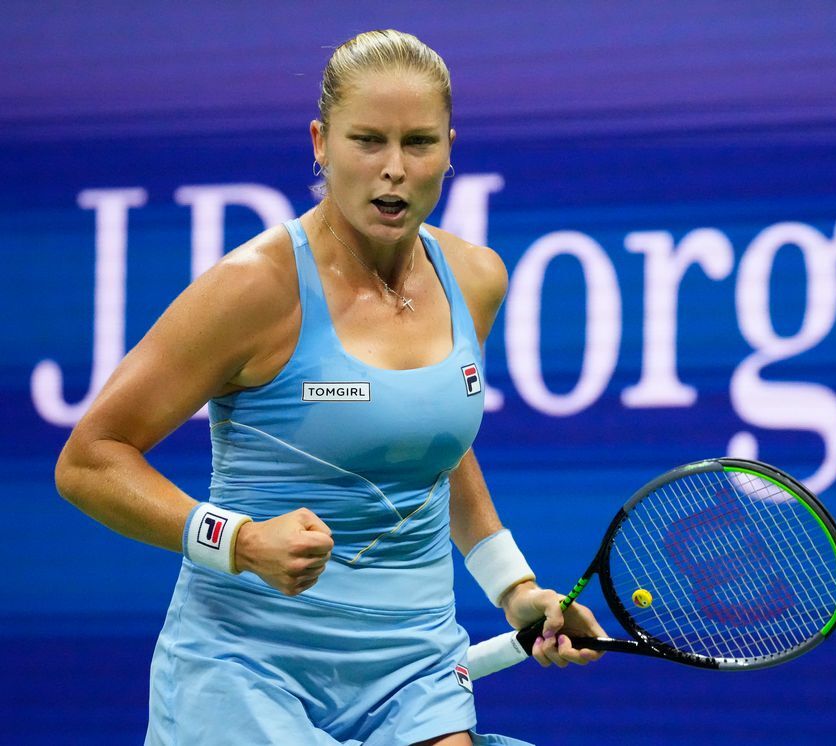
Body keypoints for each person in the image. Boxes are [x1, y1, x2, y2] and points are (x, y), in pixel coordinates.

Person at [55, 29, 604, 746]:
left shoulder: (475, 280)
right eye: (367, 141)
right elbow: (91, 459)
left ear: (450, 148)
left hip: (414, 667)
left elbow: (431, 446)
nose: (394, 171)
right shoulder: (254, 288)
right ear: (320, 142)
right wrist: (241, 540)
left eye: (419, 143)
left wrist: (516, 588)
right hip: (247, 669)